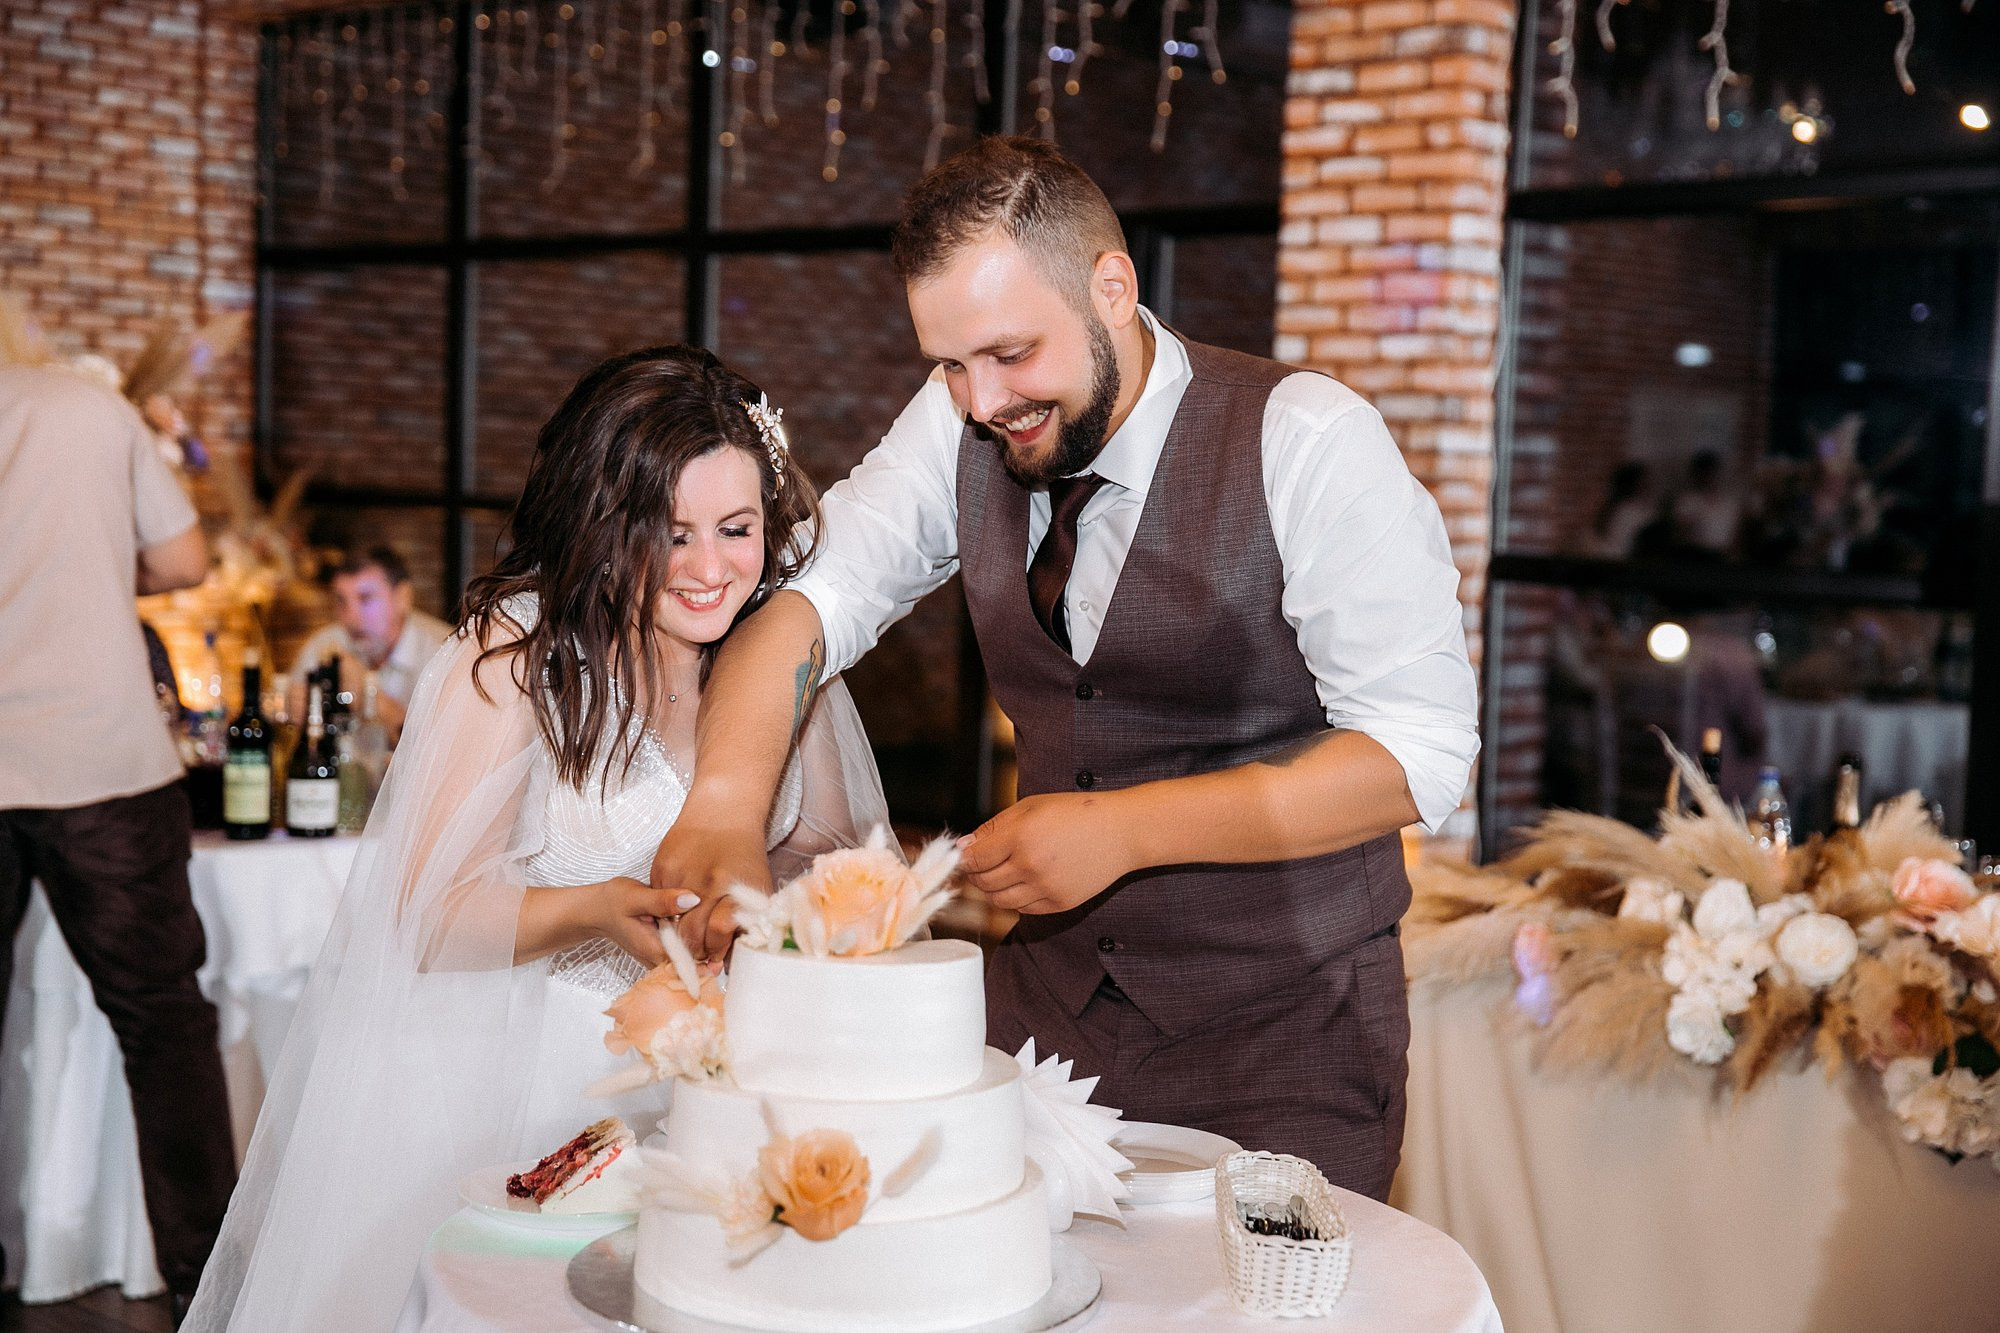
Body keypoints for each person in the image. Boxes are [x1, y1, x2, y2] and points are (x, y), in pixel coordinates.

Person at [654, 137, 1479, 1200]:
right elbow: (813, 601)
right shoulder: (961, 419)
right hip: (1039, 1023)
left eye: (1008, 353)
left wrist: (1126, 830)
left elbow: (1416, 756)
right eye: (948, 365)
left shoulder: (1309, 442)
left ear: (1111, 287)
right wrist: (723, 803)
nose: (981, 400)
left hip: (1284, 1035)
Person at [184, 347, 889, 1332]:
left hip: (740, 1097)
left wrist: (788, 898)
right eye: (667, 532)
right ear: (601, 524)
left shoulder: (781, 656)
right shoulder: (514, 661)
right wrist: (598, 906)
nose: (708, 568)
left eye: (736, 529)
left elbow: (827, 846)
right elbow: (430, 917)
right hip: (545, 1093)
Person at [0, 363, 237, 1318]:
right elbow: (184, 564)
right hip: (97, 755)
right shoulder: (85, 406)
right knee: (163, 1022)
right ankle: (205, 1276)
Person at [285, 545, 451, 743]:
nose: (351, 618)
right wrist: (298, 715)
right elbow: (292, 734)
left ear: (402, 598)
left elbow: (445, 750)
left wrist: (368, 695)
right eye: (341, 601)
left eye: (366, 599)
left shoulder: (444, 653)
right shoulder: (323, 645)